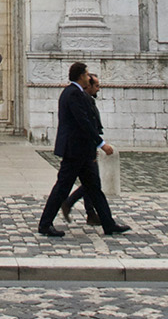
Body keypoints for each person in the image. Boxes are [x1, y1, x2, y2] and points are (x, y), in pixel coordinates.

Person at [37, 61, 130, 237]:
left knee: (94, 188)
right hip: (75, 151)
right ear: (81, 76)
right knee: (62, 188)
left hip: (81, 152)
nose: (89, 77)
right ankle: (44, 224)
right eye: (87, 74)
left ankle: (108, 224)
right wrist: (102, 144)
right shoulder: (73, 94)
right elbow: (84, 123)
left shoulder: (74, 93)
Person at [61, 72, 104, 225]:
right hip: (82, 149)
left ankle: (91, 214)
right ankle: (69, 203)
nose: (99, 89)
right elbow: (86, 125)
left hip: (85, 148)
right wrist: (98, 144)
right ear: (88, 85)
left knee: (91, 182)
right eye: (96, 85)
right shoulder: (81, 99)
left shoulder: (86, 99)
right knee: (92, 183)